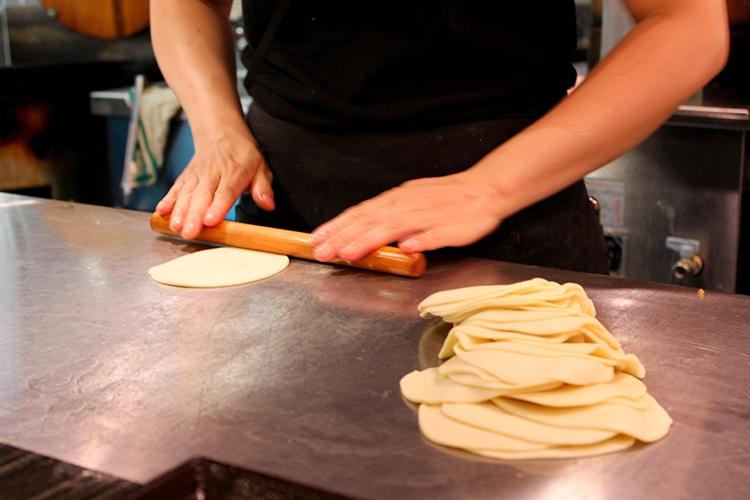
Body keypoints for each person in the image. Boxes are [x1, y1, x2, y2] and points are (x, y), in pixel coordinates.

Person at [150, 0, 729, 274]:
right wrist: (217, 125)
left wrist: (487, 189)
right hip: (278, 218)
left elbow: (687, 26)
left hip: (505, 227)